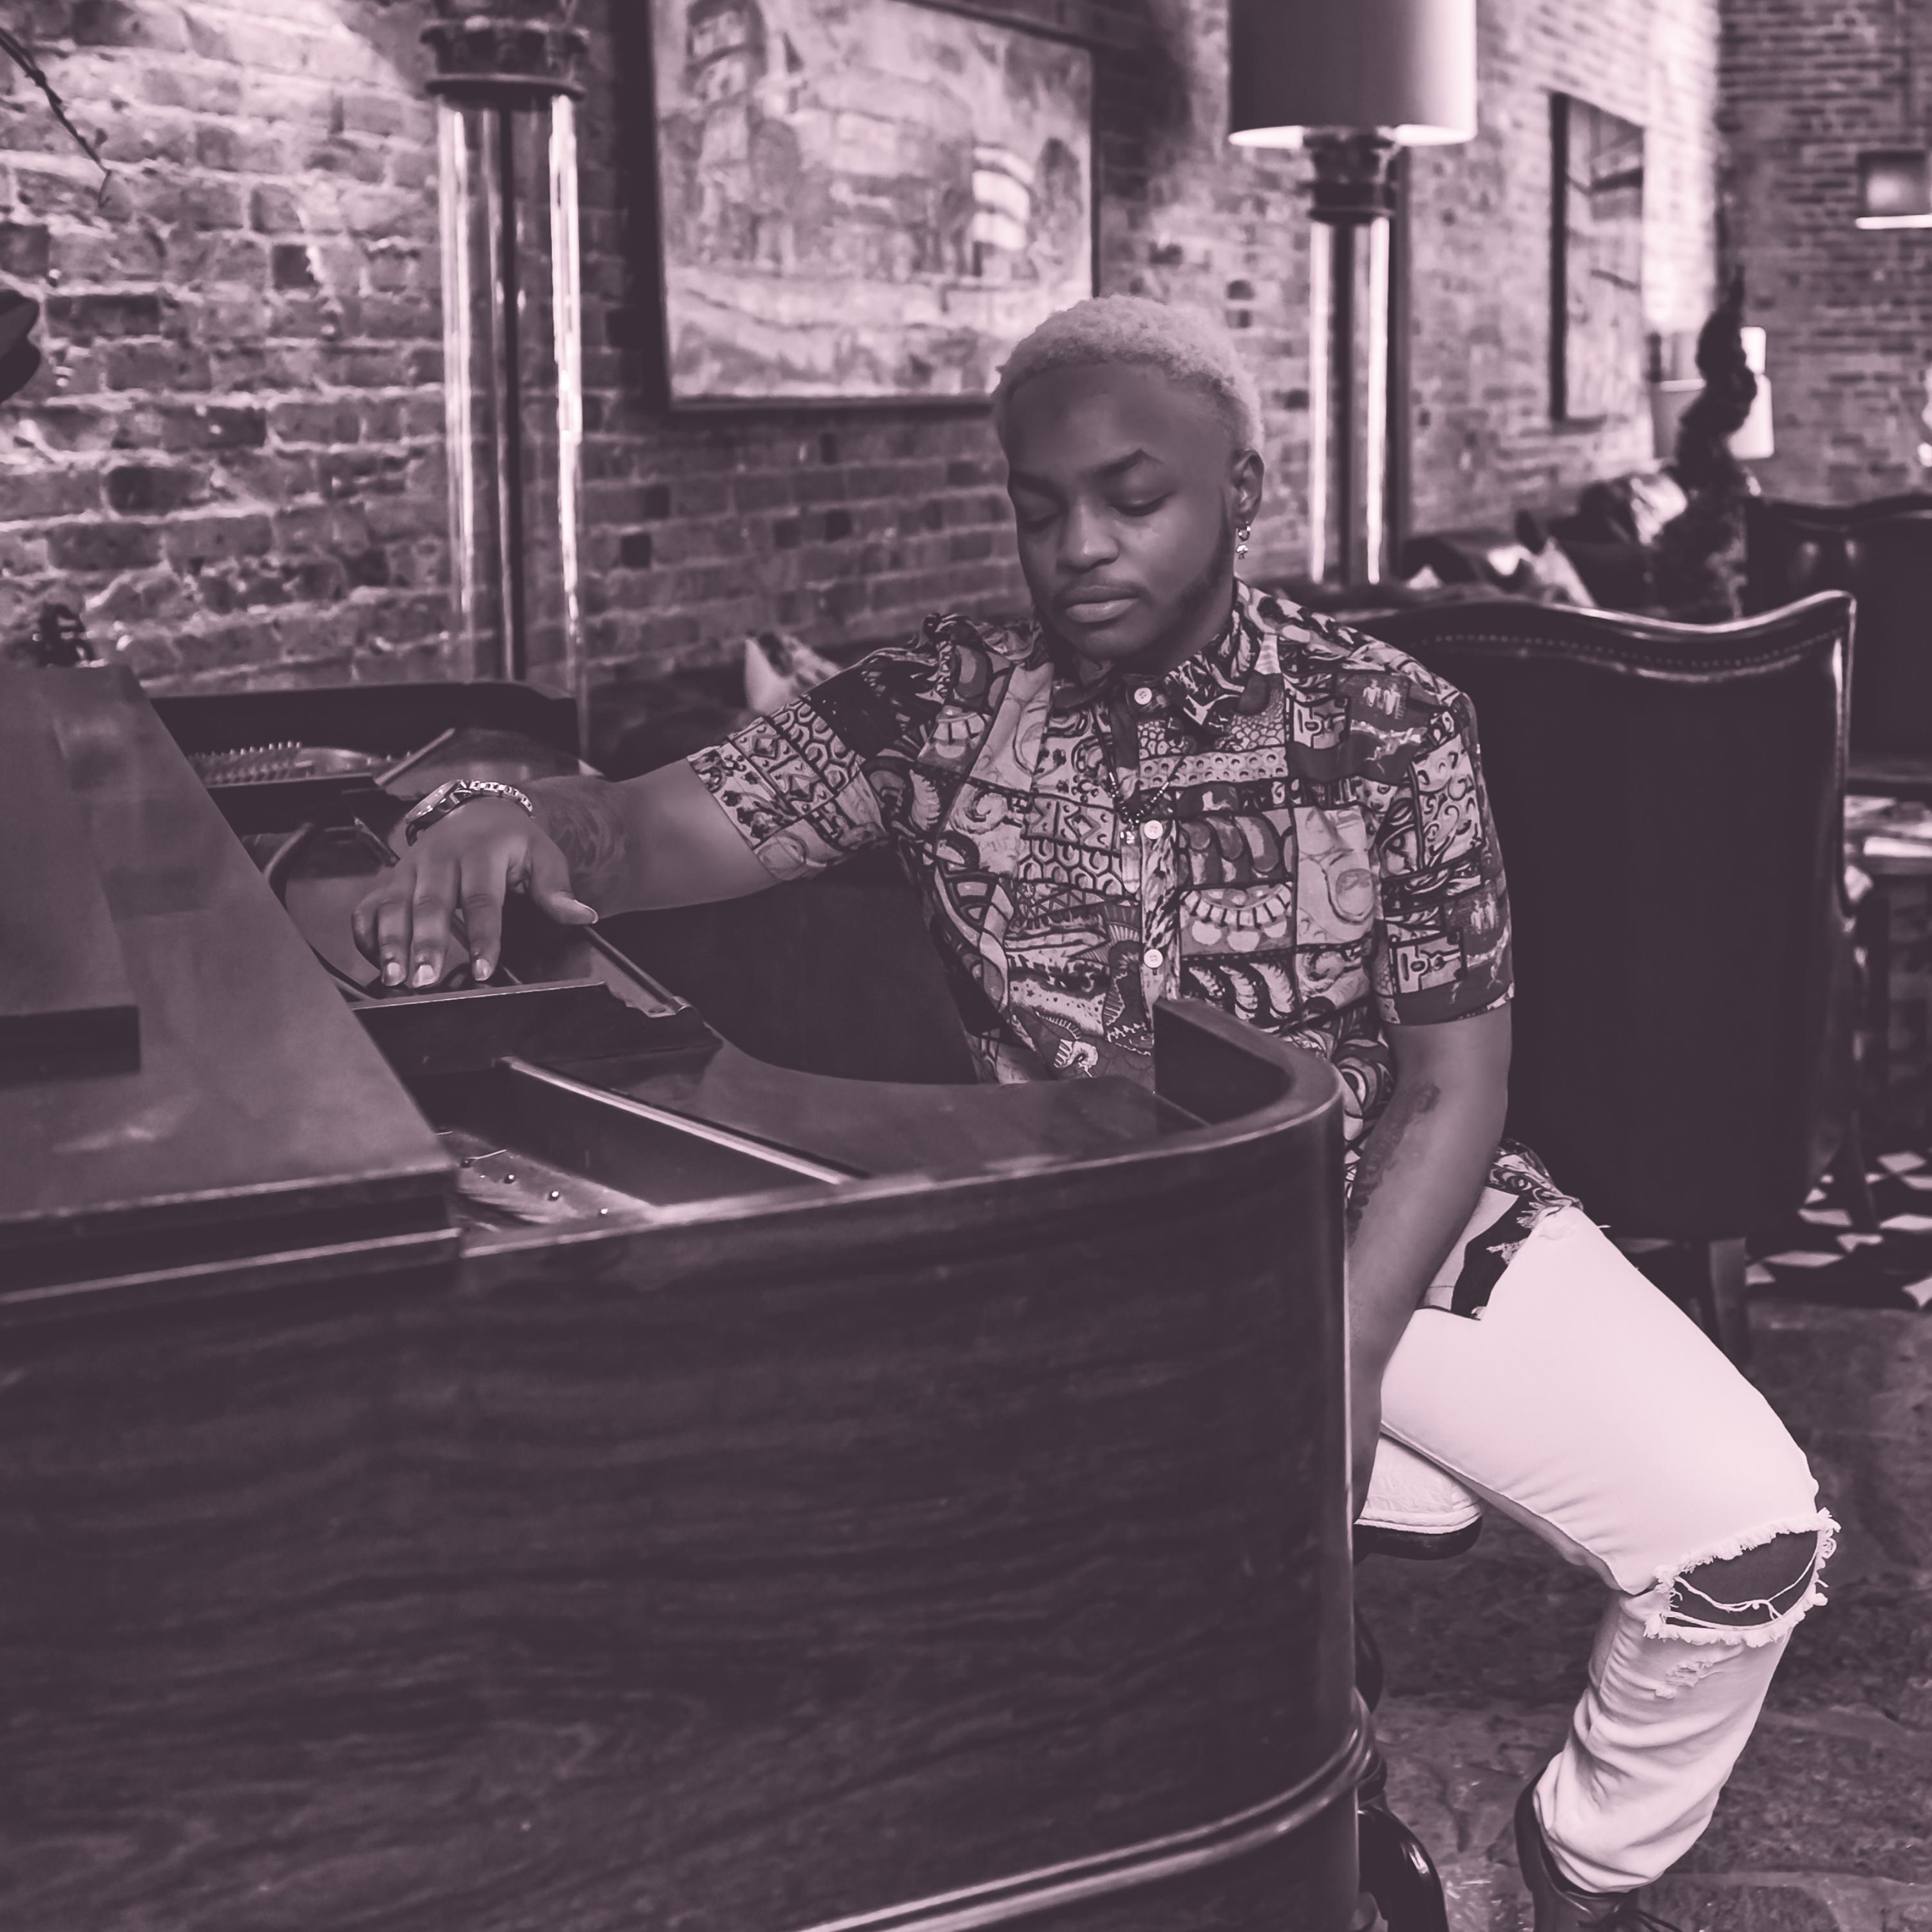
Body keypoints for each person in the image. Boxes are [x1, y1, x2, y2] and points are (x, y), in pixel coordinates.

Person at [355, 296, 1834, 1932]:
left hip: (1393, 1225)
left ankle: (1577, 1867)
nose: (1080, 546)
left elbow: (1452, 1080)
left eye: (1136, 498)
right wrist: (496, 814)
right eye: (1038, 505)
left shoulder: (1388, 718)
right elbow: (634, 837)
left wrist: (1338, 1360)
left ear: (1242, 492)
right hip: (1097, 1258)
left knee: (1746, 1540)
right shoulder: (931, 708)